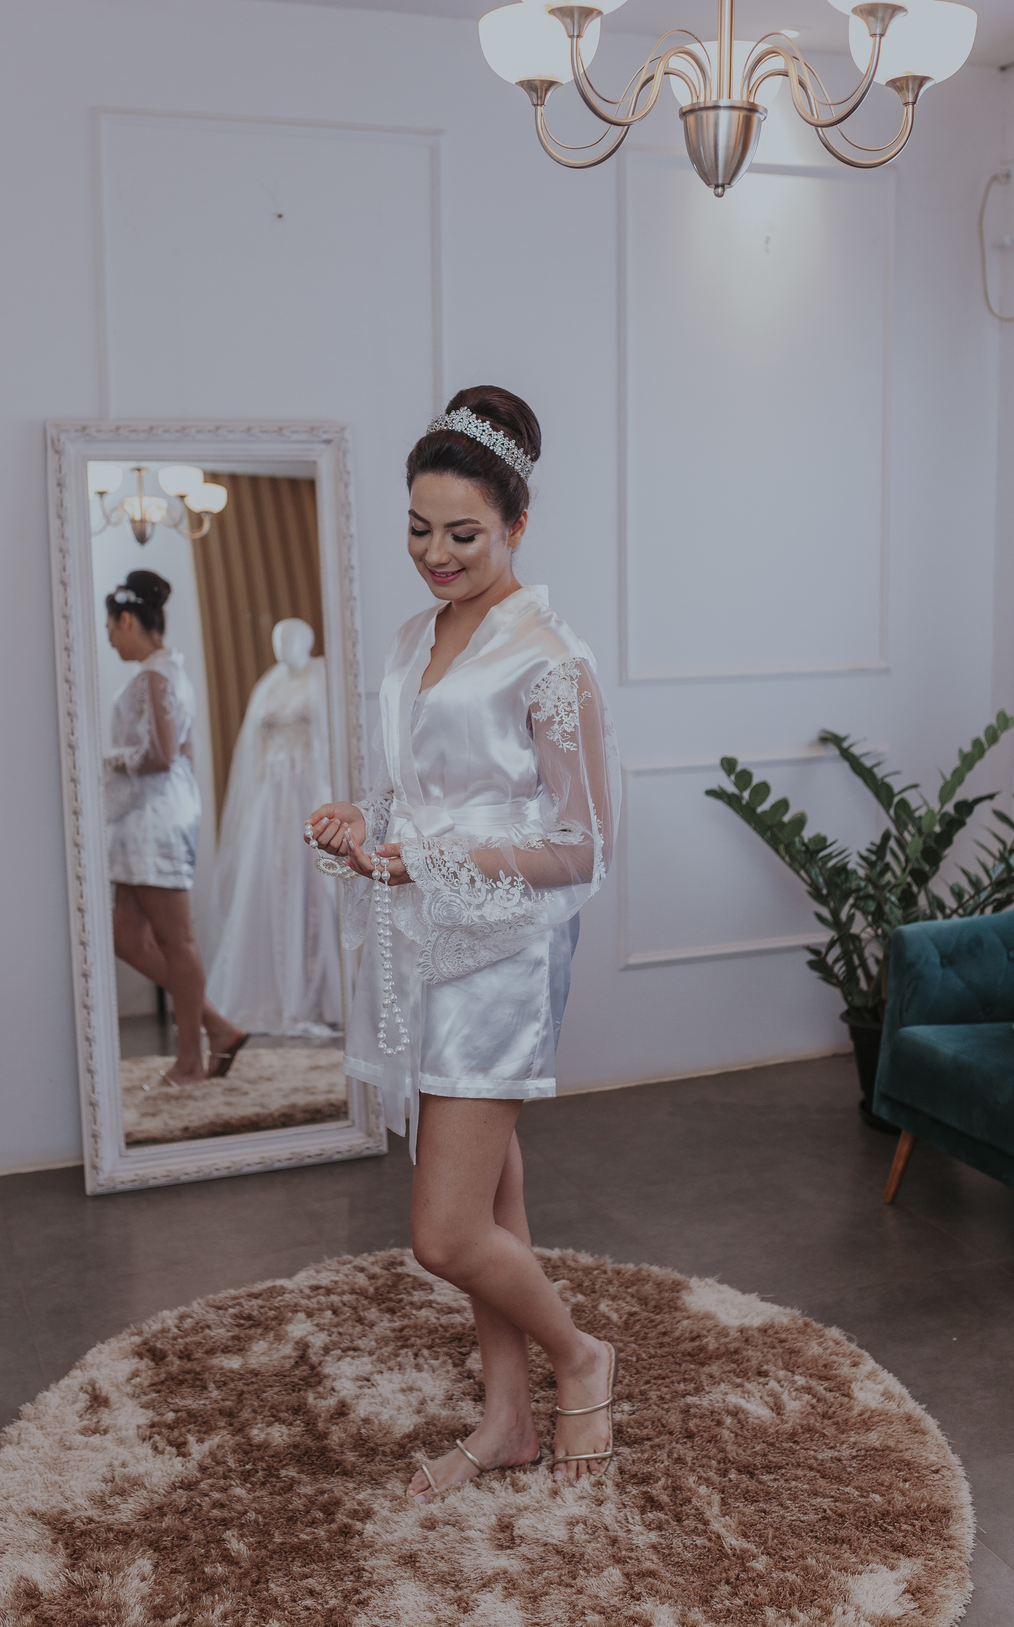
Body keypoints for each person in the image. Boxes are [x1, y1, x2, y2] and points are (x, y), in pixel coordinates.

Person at [305, 386, 621, 1502]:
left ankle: (580, 1356)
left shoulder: (550, 657)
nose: (435, 555)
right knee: (492, 1208)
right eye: (418, 529)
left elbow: (580, 846)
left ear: (518, 526)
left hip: (502, 955)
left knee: (443, 1233)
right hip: (425, 942)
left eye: (464, 535)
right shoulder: (414, 638)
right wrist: (364, 825)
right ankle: (508, 1420)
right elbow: (418, 798)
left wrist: (427, 862)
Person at [104, 569, 246, 1087]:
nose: (109, 638)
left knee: (175, 941)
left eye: (110, 627)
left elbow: (162, 756)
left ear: (127, 619)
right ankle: (217, 1026)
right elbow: (180, 751)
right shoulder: (168, 672)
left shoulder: (155, 676)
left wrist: (104, 759)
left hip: (154, 820)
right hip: (147, 816)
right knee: (124, 937)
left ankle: (189, 1060)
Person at [208, 618, 342, 1037]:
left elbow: (333, 740)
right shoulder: (268, 686)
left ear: (308, 641)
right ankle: (273, 992)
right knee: (268, 879)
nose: (284, 646)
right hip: (272, 794)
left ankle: (319, 992)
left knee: (312, 879)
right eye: (279, 639)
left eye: (291, 638)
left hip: (309, 787)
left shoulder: (322, 679)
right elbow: (255, 748)